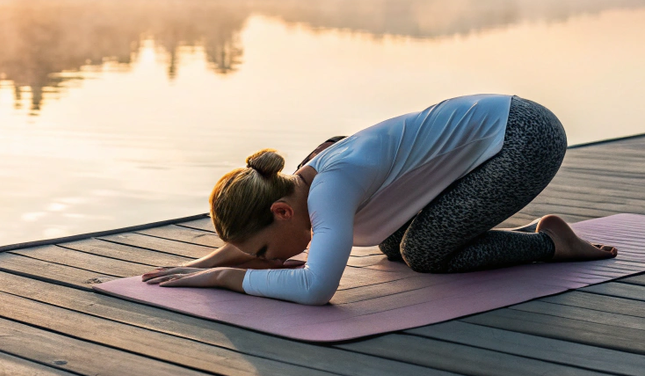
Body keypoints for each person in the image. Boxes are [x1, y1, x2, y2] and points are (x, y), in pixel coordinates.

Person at [141, 94, 616, 305]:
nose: (262, 262)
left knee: (424, 253)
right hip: (493, 126)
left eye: (263, 253)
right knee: (390, 245)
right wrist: (201, 266)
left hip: (522, 137)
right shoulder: (298, 182)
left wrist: (227, 278)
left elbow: (316, 290)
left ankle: (549, 242)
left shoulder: (331, 189)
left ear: (282, 211)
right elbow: (253, 237)